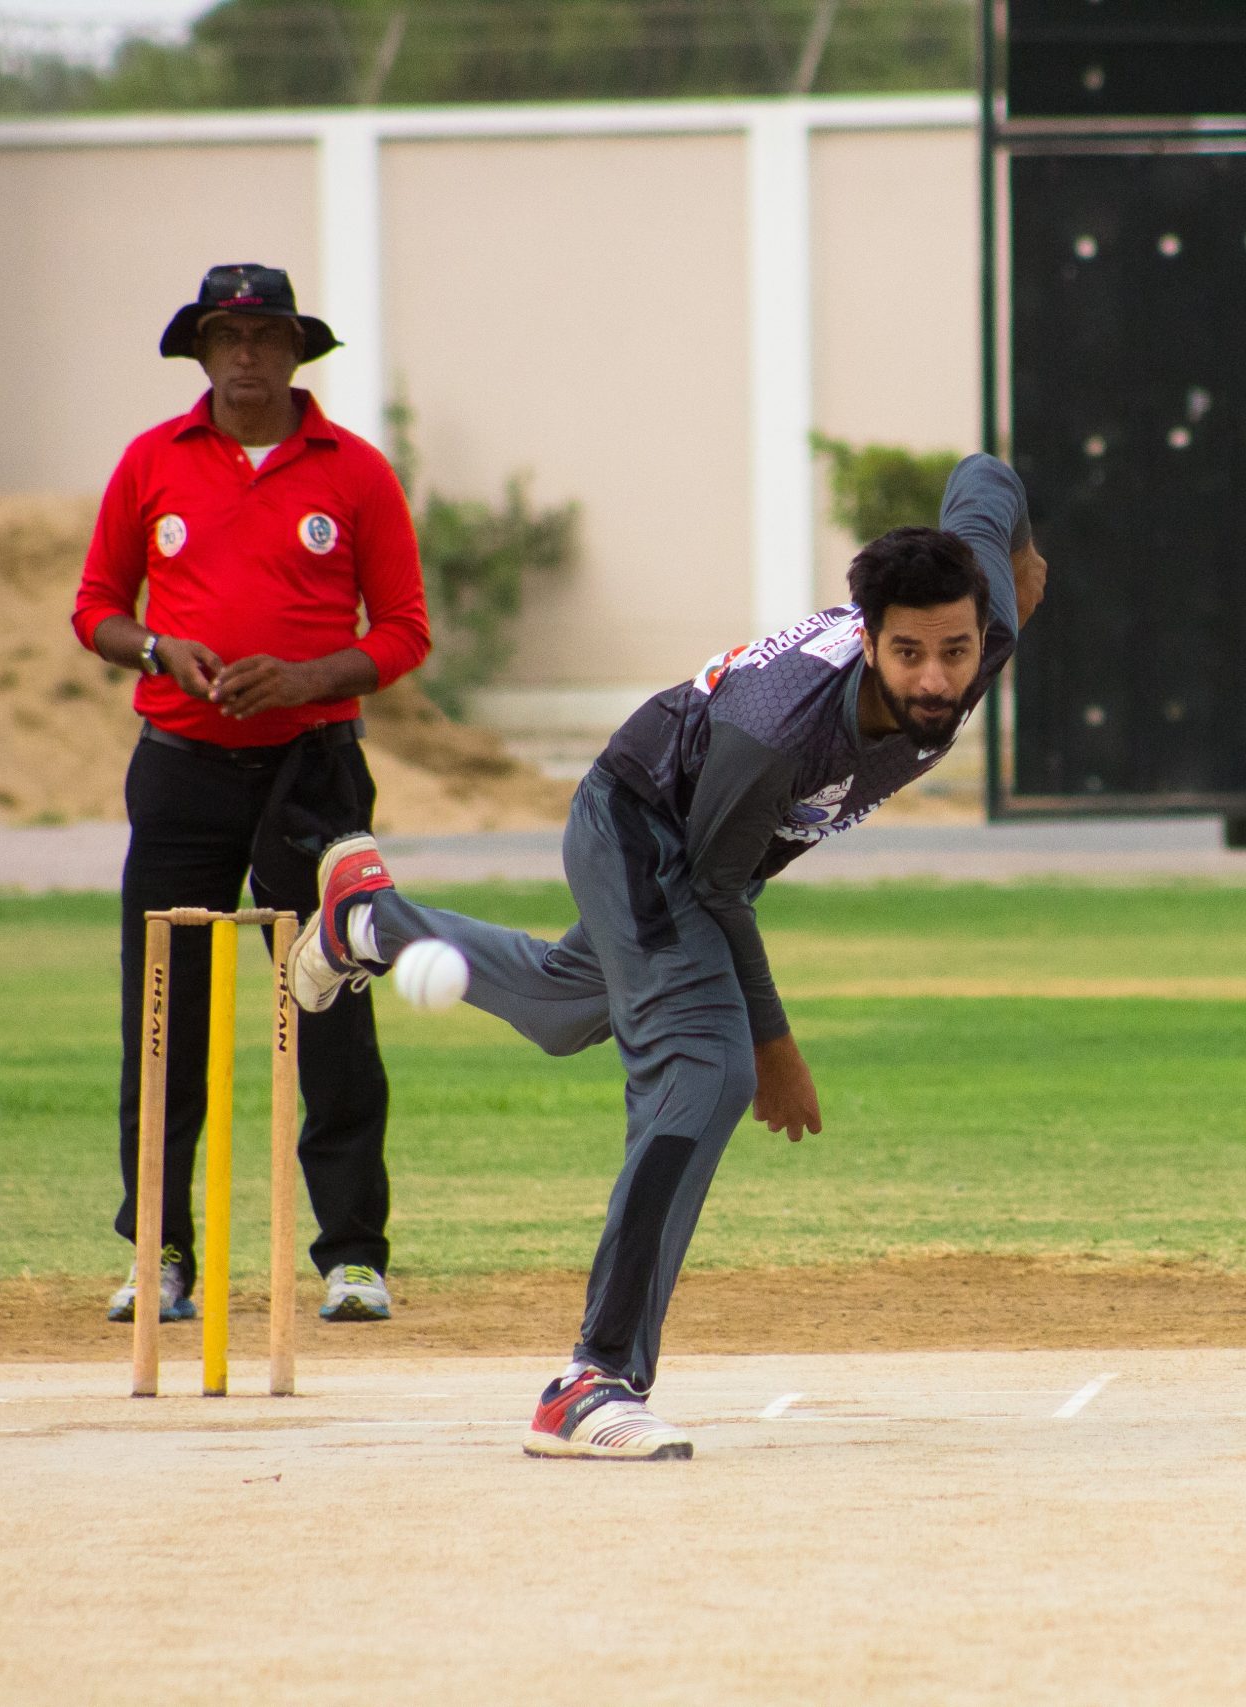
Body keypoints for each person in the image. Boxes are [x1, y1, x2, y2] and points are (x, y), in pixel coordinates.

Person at [289, 454, 1046, 1459]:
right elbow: (716, 889)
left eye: (955, 650)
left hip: (705, 846)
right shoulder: (775, 731)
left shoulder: (986, 617)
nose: (938, 679)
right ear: (868, 642)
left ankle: (369, 920)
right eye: (908, 654)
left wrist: (1022, 560)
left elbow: (984, 478)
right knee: (706, 1066)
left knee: (563, 1008)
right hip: (645, 825)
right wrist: (774, 1049)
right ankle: (591, 1379)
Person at [71, 263, 431, 1328]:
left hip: (314, 772)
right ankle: (162, 1254)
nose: (246, 355)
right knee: (163, 1015)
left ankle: (353, 1257)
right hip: (181, 766)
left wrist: (308, 678)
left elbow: (404, 631)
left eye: (266, 335)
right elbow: (95, 608)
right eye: (226, 336)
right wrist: (157, 649)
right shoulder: (152, 461)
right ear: (199, 350)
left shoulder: (354, 471)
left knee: (330, 1002)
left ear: (294, 350)